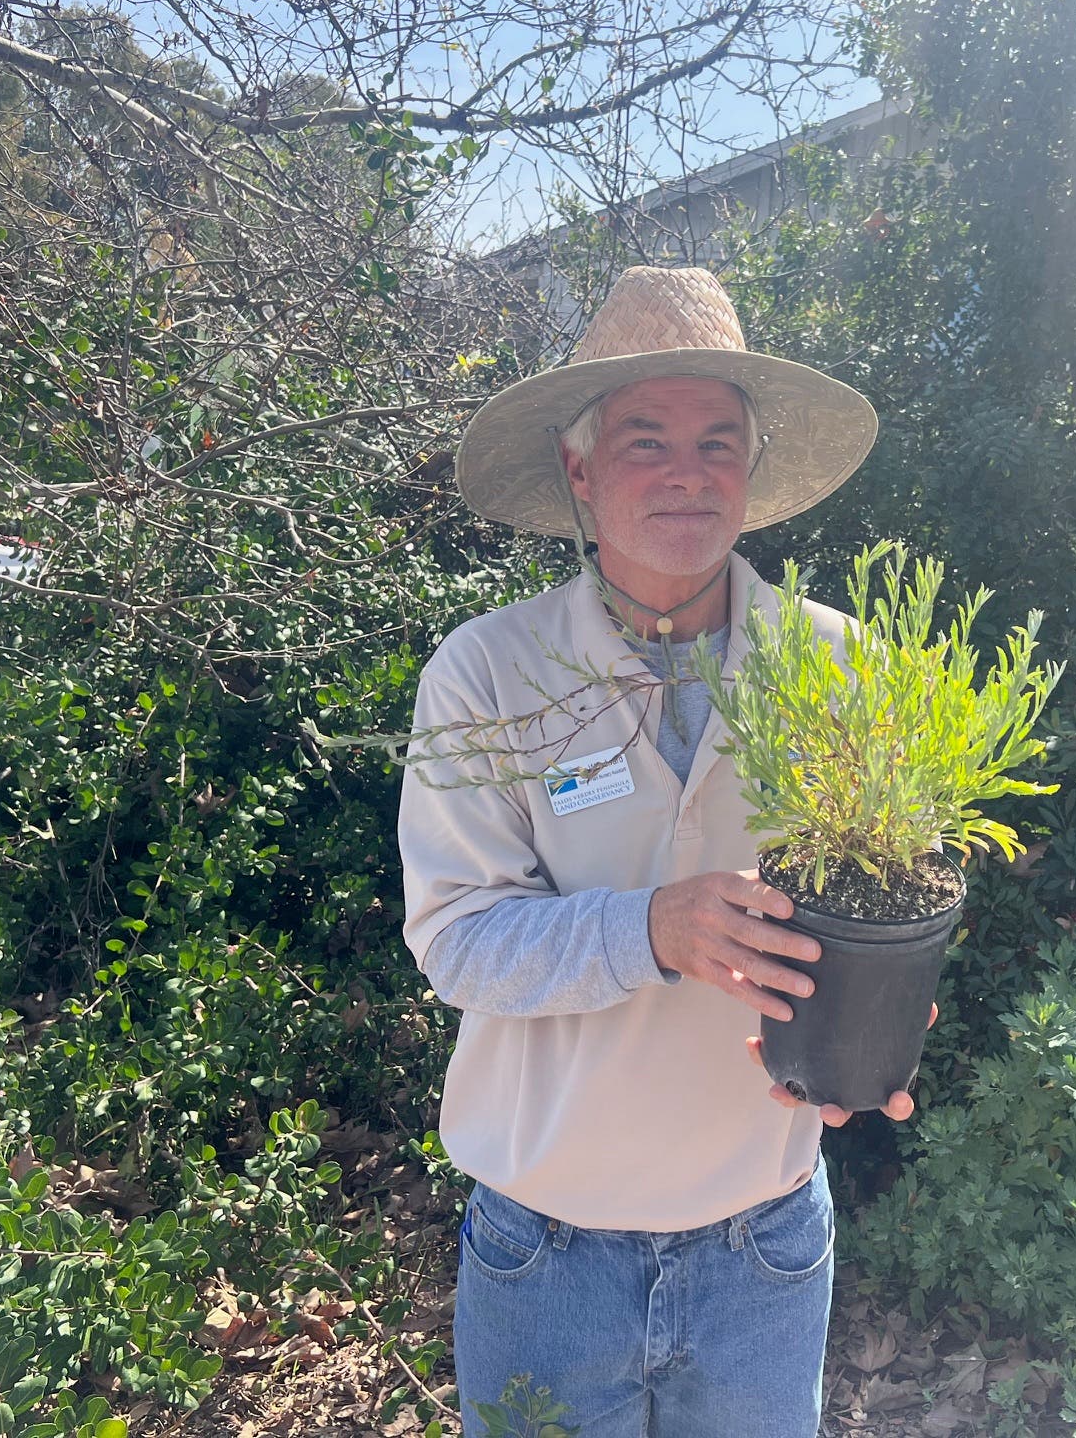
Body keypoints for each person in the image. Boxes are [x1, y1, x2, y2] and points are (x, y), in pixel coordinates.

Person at [398, 265, 934, 1436]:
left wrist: (885, 1014)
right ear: (581, 474)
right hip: (544, 1253)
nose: (686, 470)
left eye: (716, 441)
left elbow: (893, 891)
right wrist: (651, 928)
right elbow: (458, 944)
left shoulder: (843, 666)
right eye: (644, 440)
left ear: (749, 471)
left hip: (765, 1246)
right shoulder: (487, 672)